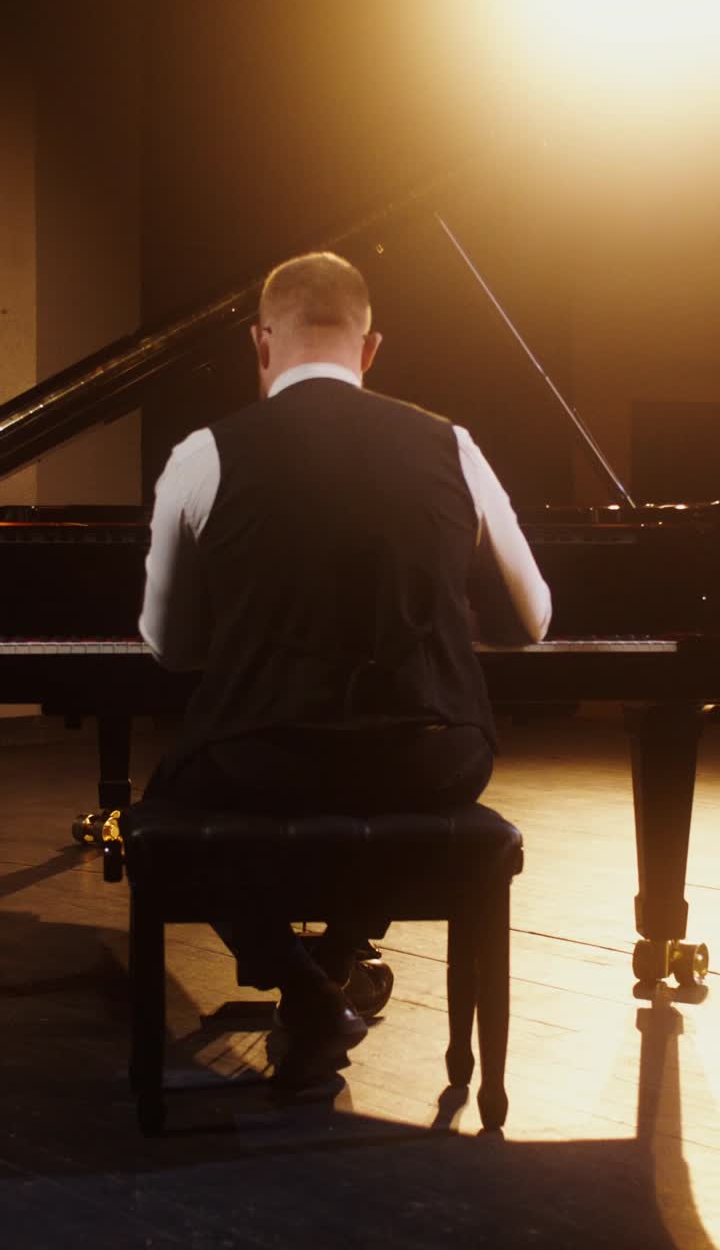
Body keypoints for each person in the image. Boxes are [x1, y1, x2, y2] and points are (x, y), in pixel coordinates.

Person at [139, 251, 551, 1092]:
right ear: (371, 350)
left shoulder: (204, 453)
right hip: (432, 754)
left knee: (166, 811)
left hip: (267, 756)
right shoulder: (454, 447)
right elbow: (533, 619)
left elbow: (172, 647)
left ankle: (307, 986)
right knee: (386, 791)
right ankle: (334, 960)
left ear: (260, 343)